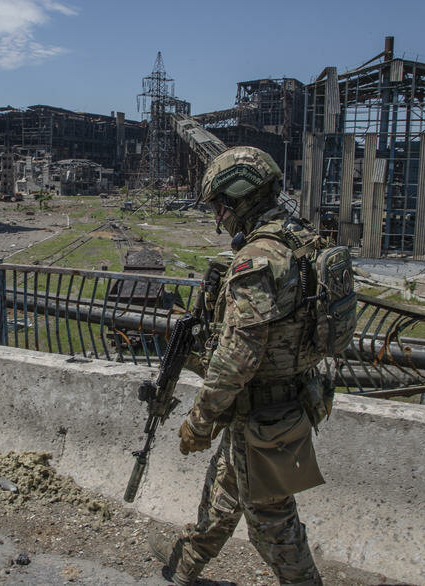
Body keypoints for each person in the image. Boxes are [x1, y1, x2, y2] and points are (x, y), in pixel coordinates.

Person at [150, 147, 330, 586]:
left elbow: (239, 355)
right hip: (286, 400)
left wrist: (200, 419)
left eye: (219, 206)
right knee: (223, 493)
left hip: (264, 412)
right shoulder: (300, 237)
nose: (218, 217)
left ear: (238, 197)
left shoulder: (258, 258)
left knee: (272, 525)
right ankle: (183, 568)